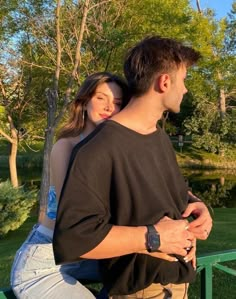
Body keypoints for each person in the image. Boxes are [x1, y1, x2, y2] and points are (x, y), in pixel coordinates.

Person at [53, 37, 213, 299]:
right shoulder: (97, 149)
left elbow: (170, 195)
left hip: (178, 285)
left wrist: (198, 207)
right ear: (164, 82)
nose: (185, 90)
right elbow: (75, 238)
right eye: (183, 80)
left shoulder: (159, 137)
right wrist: (153, 238)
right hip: (140, 291)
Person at [10, 72, 131, 299]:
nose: (108, 107)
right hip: (45, 263)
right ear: (84, 102)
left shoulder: (115, 149)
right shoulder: (66, 147)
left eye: (117, 102)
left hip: (88, 255)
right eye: (101, 98)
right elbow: (79, 213)